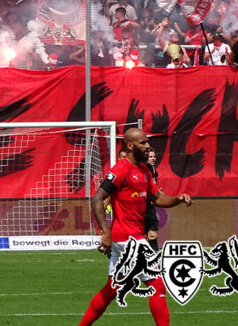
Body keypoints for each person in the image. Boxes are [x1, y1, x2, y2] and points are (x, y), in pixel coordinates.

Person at [78, 128, 192, 325]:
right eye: (143, 143)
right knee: (157, 284)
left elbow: (157, 198)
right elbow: (98, 198)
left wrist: (178, 199)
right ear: (130, 145)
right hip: (128, 238)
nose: (148, 147)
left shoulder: (145, 170)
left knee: (113, 288)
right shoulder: (120, 169)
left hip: (129, 238)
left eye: (147, 142)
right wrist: (106, 232)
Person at [143, 149, 160, 251]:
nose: (153, 158)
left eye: (154, 156)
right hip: (141, 207)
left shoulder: (154, 172)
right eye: (150, 157)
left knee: (153, 234)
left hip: (150, 207)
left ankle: (155, 260)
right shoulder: (142, 170)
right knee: (143, 236)